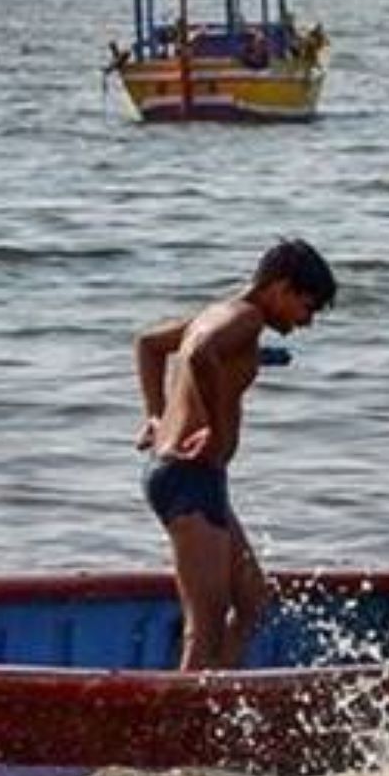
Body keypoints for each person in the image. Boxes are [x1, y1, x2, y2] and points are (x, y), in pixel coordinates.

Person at [133, 238, 336, 670]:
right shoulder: (244, 317)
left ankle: (218, 701)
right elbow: (198, 354)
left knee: (253, 603)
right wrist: (213, 428)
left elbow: (149, 344)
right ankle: (184, 728)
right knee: (203, 627)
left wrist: (156, 416)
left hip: (194, 478)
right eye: (308, 307)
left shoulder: (219, 314)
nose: (308, 321)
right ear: (281, 288)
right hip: (188, 478)